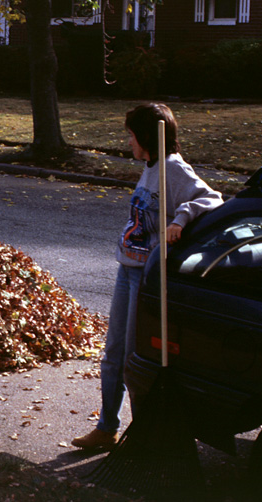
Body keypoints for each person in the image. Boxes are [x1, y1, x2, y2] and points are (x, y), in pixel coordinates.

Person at [71, 103, 224, 450]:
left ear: (147, 136)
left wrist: (179, 220)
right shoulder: (149, 167)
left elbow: (212, 200)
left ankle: (143, 435)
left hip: (148, 278)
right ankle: (107, 427)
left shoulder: (173, 168)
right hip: (127, 270)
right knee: (112, 354)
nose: (128, 142)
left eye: (130, 135)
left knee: (134, 359)